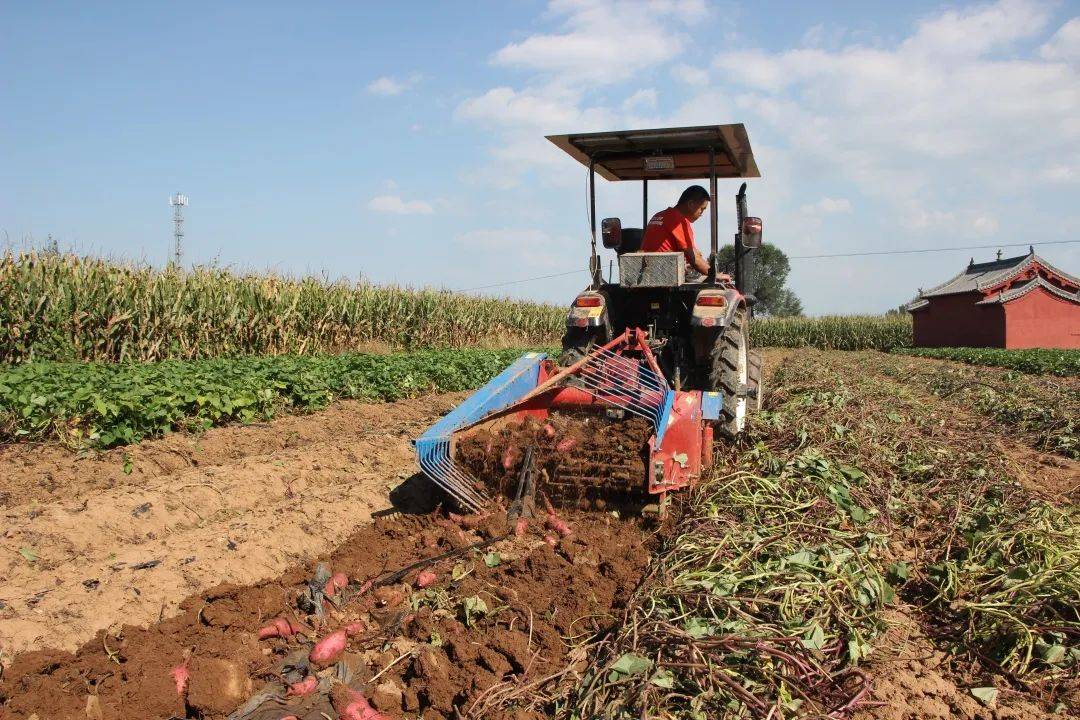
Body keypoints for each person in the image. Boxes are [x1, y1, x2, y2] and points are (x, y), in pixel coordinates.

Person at [640, 185, 711, 275]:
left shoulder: (659, 215)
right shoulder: (679, 221)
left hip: (647, 271)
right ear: (691, 204)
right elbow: (694, 259)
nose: (701, 214)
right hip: (663, 275)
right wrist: (715, 275)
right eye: (702, 209)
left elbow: (694, 253)